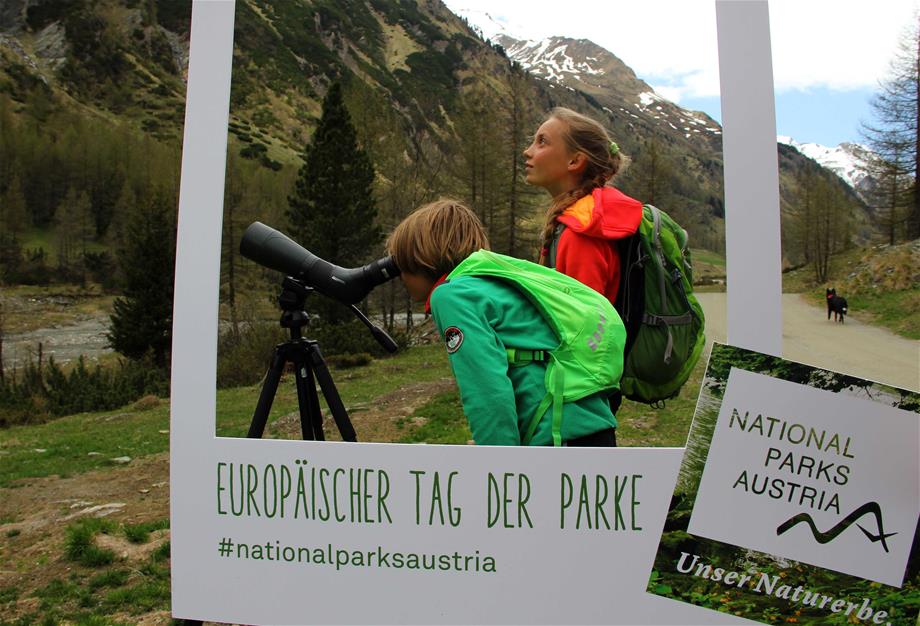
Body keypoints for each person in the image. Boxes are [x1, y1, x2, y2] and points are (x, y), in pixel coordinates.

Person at [386, 199, 618, 447]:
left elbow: (486, 390)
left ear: (423, 259)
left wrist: (496, 461)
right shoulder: (494, 280)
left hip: (556, 438)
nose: (400, 276)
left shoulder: (452, 295)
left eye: (403, 264)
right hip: (592, 425)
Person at [523, 107, 643, 303]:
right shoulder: (585, 220)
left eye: (542, 142)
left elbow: (586, 328)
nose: (527, 151)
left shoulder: (581, 234)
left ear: (575, 161)